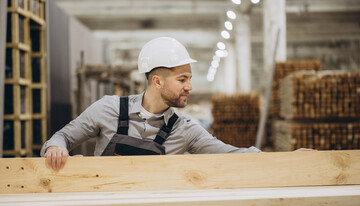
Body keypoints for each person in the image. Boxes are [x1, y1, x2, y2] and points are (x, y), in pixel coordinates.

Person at [41, 37, 261, 171]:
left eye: (190, 79)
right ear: (157, 82)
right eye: (182, 80)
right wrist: (56, 149)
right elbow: (63, 137)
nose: (190, 87)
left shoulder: (185, 129)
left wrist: (287, 158)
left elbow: (231, 155)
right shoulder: (108, 109)